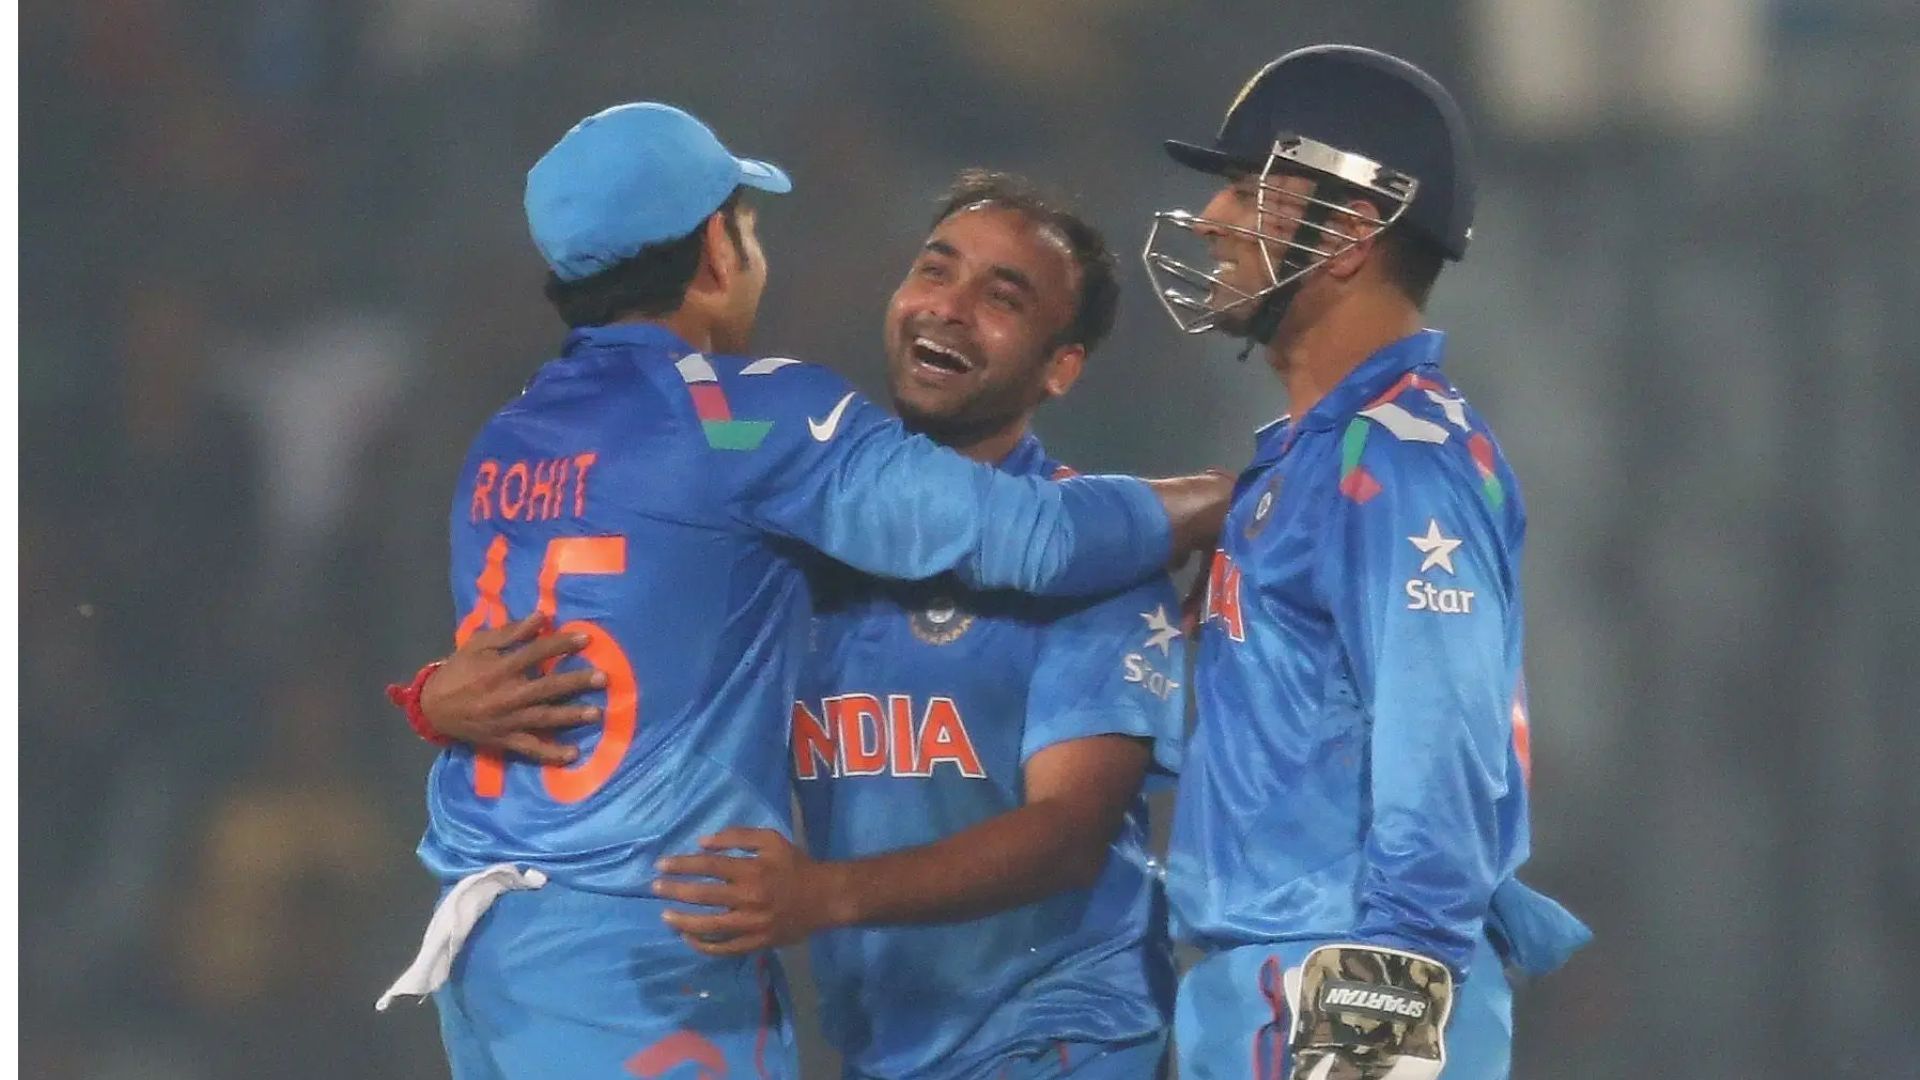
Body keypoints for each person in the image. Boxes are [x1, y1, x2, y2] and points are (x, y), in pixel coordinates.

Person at [374, 103, 1228, 1080]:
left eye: (1002, 294)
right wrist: (1238, 496)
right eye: (936, 267)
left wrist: (435, 696)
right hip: (648, 962)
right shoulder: (756, 439)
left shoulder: (515, 438)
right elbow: (1031, 538)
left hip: (1049, 1038)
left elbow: (1070, 836)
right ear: (714, 251)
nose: (947, 304)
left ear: (1062, 363)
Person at [1140, 45, 1590, 1079]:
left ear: (1346, 236)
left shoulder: (1396, 458)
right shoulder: (1311, 457)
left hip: (1350, 992)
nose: (1212, 219)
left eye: (1253, 190)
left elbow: (1443, 758)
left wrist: (1378, 1036)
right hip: (1268, 988)